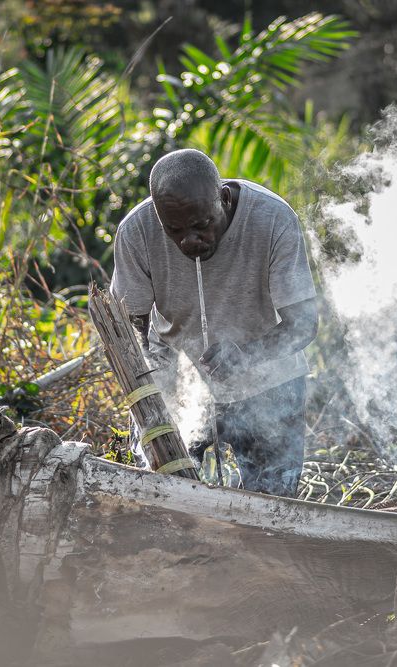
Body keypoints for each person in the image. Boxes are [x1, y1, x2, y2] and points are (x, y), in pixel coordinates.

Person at [109, 149, 318, 497]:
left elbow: (304, 324)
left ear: (222, 199)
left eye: (201, 225)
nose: (189, 241)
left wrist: (246, 355)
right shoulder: (136, 232)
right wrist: (155, 397)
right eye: (174, 231)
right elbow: (130, 331)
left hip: (271, 384)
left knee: (271, 510)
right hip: (177, 385)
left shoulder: (273, 219)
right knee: (166, 503)